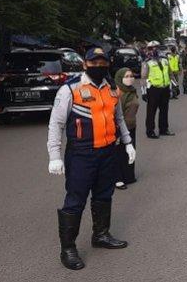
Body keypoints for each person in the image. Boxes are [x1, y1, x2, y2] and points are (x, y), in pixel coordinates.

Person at [47, 47, 135, 270]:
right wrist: (54, 156)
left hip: (107, 152)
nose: (98, 67)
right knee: (75, 200)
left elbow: (119, 119)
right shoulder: (70, 89)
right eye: (93, 63)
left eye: (102, 62)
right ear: (85, 64)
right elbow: (56, 124)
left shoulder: (111, 88)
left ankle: (101, 235)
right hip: (81, 154)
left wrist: (127, 143)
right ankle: (67, 249)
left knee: (104, 195)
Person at [141, 41, 175, 139]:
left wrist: (175, 85)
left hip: (165, 88)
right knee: (151, 111)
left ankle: (163, 129)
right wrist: (144, 92)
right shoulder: (146, 62)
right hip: (153, 89)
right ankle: (150, 131)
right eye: (151, 48)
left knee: (164, 110)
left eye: (156, 47)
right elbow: (143, 78)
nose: (154, 50)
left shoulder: (165, 60)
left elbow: (170, 73)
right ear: (148, 50)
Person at [114, 68, 138, 189]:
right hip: (120, 128)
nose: (130, 78)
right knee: (119, 153)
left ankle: (129, 176)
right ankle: (118, 178)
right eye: (126, 76)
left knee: (130, 151)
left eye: (131, 76)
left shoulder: (132, 91)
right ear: (120, 78)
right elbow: (116, 114)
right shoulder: (117, 92)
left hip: (132, 125)